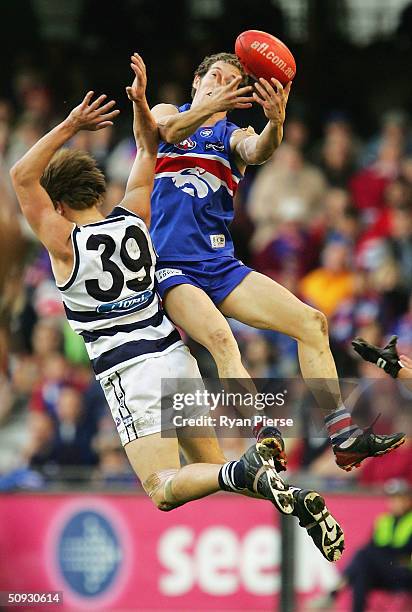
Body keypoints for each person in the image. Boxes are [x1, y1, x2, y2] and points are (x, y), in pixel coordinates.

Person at [10, 53, 344, 563]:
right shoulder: (135, 218)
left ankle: (250, 471)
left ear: (57, 206)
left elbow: (20, 176)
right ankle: (292, 496)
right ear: (97, 188)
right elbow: (150, 148)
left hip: (132, 375)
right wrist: (133, 107)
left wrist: (70, 125)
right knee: (214, 471)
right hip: (175, 359)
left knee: (163, 489)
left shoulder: (64, 246)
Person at [149, 51, 405, 471]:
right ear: (197, 83)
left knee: (313, 323)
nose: (221, 85)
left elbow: (258, 149)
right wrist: (211, 104)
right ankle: (263, 434)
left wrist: (277, 122)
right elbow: (167, 129)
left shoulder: (232, 135)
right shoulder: (167, 113)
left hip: (219, 264)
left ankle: (343, 435)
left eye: (232, 83)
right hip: (171, 266)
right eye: (215, 77)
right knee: (220, 339)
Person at [310, 479, 412, 612]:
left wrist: (383, 553)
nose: (394, 503)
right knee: (362, 572)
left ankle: (334, 593)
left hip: (405, 571)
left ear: (408, 500)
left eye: (398, 499)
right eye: (392, 499)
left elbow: (405, 551)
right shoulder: (384, 521)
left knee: (364, 555)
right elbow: (375, 547)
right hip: (387, 571)